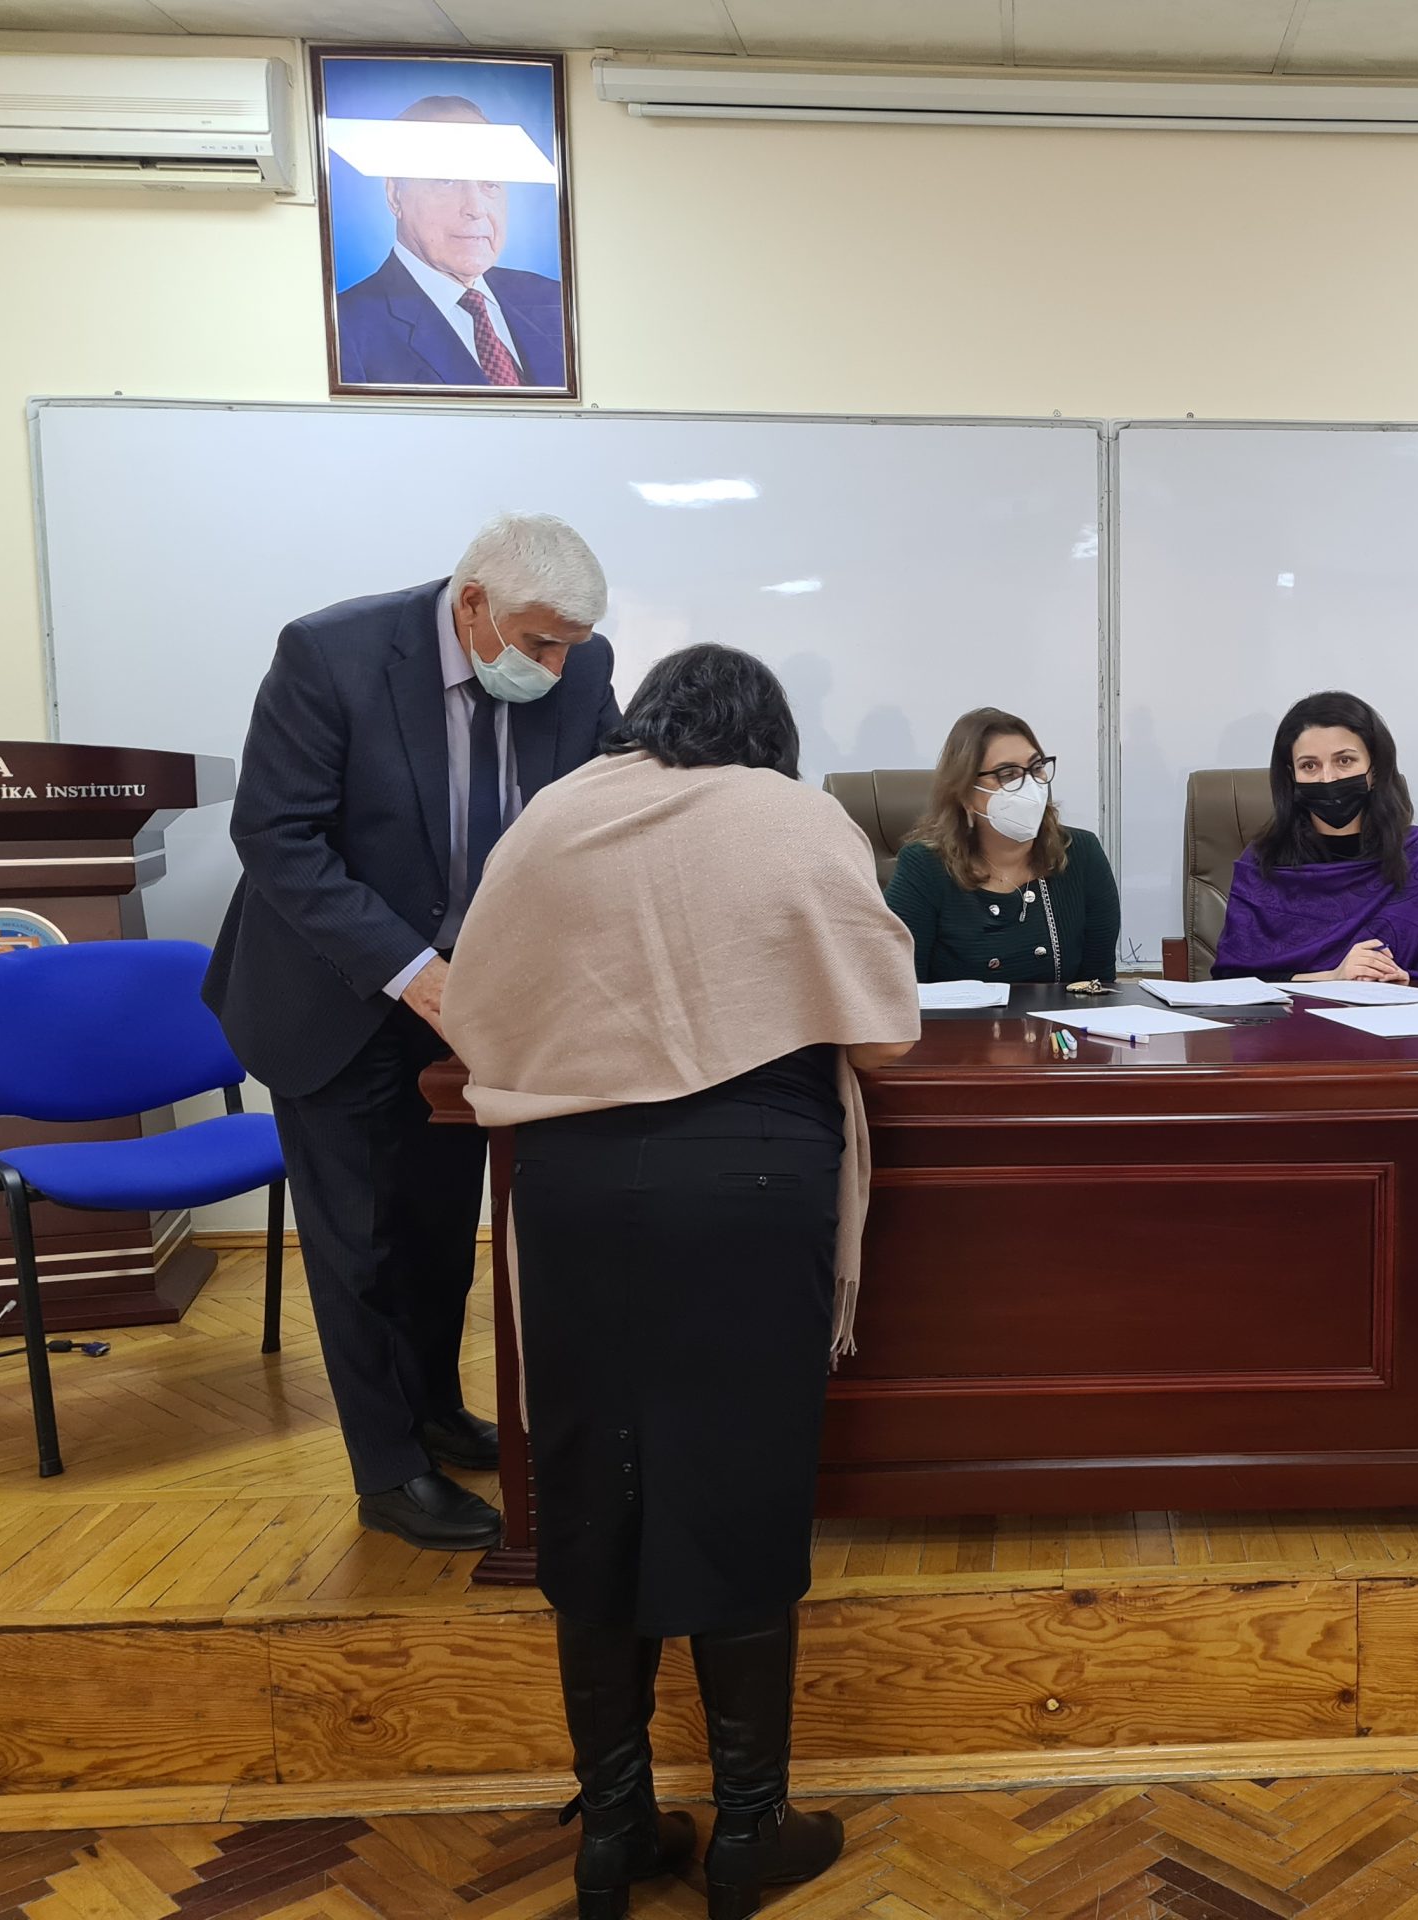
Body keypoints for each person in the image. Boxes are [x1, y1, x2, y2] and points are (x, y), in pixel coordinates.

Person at [443, 644, 919, 1920]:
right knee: (740, 1484)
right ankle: (750, 1831)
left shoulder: (555, 816)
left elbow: (475, 1007)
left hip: (573, 1184)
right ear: (768, 733)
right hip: (751, 1179)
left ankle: (613, 1829)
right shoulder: (792, 814)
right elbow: (882, 1034)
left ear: (642, 717)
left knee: (592, 1483)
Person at [203, 513, 618, 1551]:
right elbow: (276, 834)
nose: (555, 668)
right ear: (472, 604)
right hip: (334, 992)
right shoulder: (332, 653)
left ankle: (434, 1411)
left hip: (475, 1003)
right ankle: (387, 1471)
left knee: (438, 1232)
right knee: (359, 1245)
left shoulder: (582, 665)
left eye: (570, 647)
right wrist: (413, 971)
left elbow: (597, 821)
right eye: (539, 643)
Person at [1211, 691, 1418, 984]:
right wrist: (1332, 977)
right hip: (1293, 1014)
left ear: (1374, 770)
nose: (1328, 778)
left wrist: (1405, 980)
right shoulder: (1262, 862)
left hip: (1396, 1013)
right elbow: (1233, 981)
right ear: (1292, 776)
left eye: (1344, 760)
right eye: (1309, 766)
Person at [333, 96, 569, 390]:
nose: (476, 208)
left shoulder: (554, 299)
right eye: (447, 181)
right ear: (395, 195)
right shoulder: (344, 329)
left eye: (490, 184)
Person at [885, 708, 1120, 985]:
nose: (1030, 785)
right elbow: (895, 989)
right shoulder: (924, 866)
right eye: (1008, 774)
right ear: (966, 794)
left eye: (1036, 768)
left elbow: (1098, 985)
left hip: (1060, 1016)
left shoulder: (1081, 853)